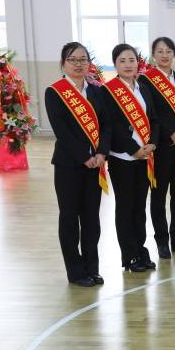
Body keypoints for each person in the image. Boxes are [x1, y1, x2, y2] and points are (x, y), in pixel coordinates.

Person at [45, 42, 111, 286]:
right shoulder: (55, 92)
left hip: (96, 165)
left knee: (92, 219)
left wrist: (102, 153)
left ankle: (91, 268)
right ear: (63, 63)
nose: (79, 64)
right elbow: (62, 131)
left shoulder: (96, 91)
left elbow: (107, 126)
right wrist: (85, 156)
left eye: (83, 59)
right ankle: (75, 272)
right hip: (68, 165)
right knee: (70, 218)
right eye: (73, 59)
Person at [103, 43, 160, 272]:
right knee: (125, 208)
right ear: (115, 64)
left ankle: (141, 251)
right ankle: (129, 257)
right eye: (122, 61)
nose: (128, 65)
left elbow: (153, 119)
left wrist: (152, 143)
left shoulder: (143, 87)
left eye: (132, 60)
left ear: (139, 63)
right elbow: (111, 126)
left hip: (145, 158)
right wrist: (133, 149)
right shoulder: (109, 91)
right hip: (122, 158)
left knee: (139, 208)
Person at [140, 36, 175, 258]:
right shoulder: (146, 81)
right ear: (154, 55)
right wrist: (169, 133)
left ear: (174, 54)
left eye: (169, 51)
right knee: (158, 196)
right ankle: (162, 240)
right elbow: (151, 115)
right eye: (160, 51)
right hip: (161, 147)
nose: (165, 55)